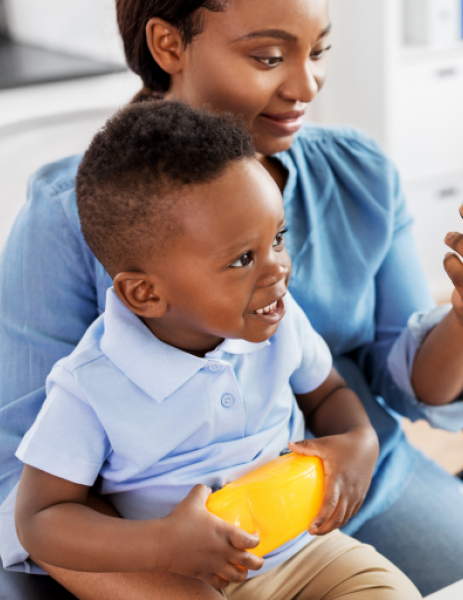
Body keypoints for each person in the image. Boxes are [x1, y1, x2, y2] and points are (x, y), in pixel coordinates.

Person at [0, 0, 463, 597]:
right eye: (269, 56)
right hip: (168, 543)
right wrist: (158, 552)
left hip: (345, 489)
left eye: (321, 51)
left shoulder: (358, 173)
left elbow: (402, 387)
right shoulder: (72, 220)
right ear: (168, 44)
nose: (307, 85)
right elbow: (26, 491)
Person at [13, 100, 421, 600]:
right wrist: (158, 546)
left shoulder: (280, 320)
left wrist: (359, 440)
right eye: (243, 258)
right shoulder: (91, 384)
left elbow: (327, 391)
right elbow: (39, 519)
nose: (278, 269)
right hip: (183, 580)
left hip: (306, 553)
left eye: (279, 239)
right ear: (146, 294)